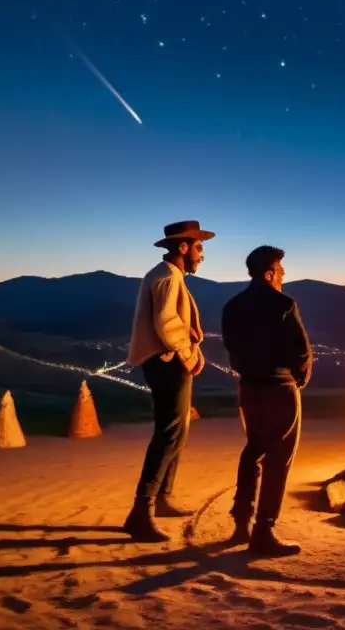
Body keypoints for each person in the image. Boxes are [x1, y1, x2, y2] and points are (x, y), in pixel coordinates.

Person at [123, 220, 212, 542]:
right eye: (199, 247)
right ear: (184, 247)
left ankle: (161, 498)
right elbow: (167, 322)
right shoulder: (165, 277)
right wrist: (187, 354)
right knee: (170, 432)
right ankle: (141, 510)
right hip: (166, 362)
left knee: (178, 430)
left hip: (169, 360)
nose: (202, 255)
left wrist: (191, 350)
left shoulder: (168, 276)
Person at [221, 245, 313, 556]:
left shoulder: (232, 307)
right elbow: (301, 350)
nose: (284, 276)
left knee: (253, 451)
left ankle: (241, 523)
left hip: (249, 390)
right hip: (280, 389)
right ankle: (265, 530)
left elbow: (232, 351)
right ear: (270, 273)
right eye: (281, 271)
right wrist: (297, 378)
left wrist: (249, 373)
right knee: (278, 459)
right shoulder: (284, 304)